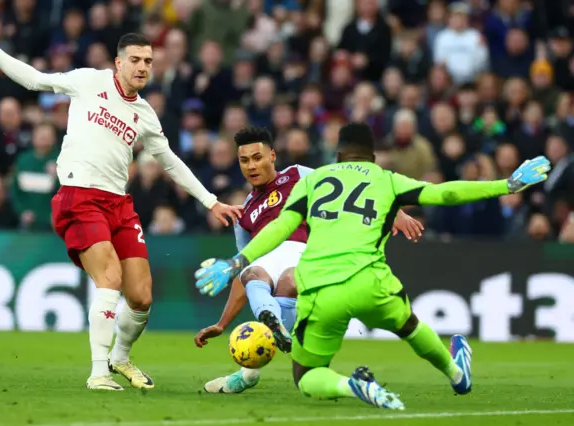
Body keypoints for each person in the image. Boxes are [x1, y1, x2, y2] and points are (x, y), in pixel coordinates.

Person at [0, 20, 241, 392]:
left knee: (141, 296)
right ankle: (98, 372)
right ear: (118, 63)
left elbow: (170, 161)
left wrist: (210, 201)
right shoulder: (89, 81)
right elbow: (34, 80)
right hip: (79, 196)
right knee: (109, 278)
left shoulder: (144, 114)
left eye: (149, 61)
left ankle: (120, 358)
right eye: (136, 60)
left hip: (119, 204)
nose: (143, 67)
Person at [194, 122, 551, 409]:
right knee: (410, 326)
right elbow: (447, 193)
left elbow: (280, 229)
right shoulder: (386, 179)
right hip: (370, 280)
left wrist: (235, 261)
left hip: (319, 285)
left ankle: (350, 385)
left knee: (306, 375)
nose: (252, 166)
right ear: (373, 155)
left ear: (336, 154)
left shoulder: (311, 179)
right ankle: (458, 376)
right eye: (245, 160)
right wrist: (507, 184)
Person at [194, 126, 423, 394]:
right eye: (244, 160)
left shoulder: (297, 175)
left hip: (306, 253)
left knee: (290, 280)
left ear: (273, 156)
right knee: (253, 274)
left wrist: (395, 212)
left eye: (257, 157)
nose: (251, 166)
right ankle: (260, 352)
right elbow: (244, 268)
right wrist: (222, 324)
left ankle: (257, 354)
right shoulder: (244, 213)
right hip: (266, 264)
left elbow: (349, 187)